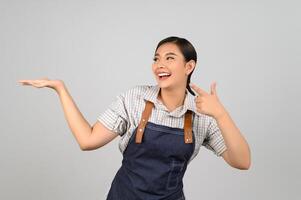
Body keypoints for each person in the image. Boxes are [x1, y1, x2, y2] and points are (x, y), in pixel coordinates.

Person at [18, 36, 251, 200]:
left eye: (170, 58)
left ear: (189, 66)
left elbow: (242, 162)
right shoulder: (134, 99)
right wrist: (60, 89)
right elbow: (87, 140)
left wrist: (221, 113)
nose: (160, 64)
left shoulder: (203, 113)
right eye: (156, 58)